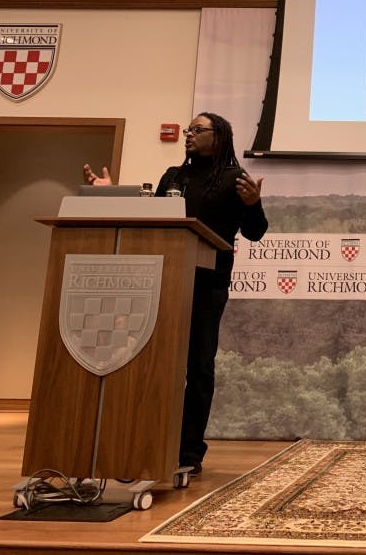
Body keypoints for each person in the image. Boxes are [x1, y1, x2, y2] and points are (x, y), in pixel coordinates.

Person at [83, 112, 268, 474]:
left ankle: (189, 453)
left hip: (207, 285)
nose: (189, 134)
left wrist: (253, 205)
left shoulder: (234, 179)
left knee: (198, 367)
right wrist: (111, 195)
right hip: (163, 281)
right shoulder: (173, 176)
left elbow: (255, 232)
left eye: (198, 130)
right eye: (188, 129)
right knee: (153, 361)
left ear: (219, 137)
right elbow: (152, 222)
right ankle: (148, 441)